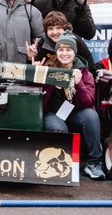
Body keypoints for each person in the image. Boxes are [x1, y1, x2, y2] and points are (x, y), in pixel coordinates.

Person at [40, 35, 106, 179]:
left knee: (91, 115)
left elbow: (88, 103)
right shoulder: (48, 69)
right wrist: (36, 75)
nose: (64, 53)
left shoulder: (84, 72)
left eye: (68, 50)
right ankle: (62, 168)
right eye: (61, 50)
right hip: (53, 113)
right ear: (56, 52)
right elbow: (36, 95)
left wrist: (79, 83)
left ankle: (94, 163)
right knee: (58, 128)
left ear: (75, 52)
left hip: (75, 113)